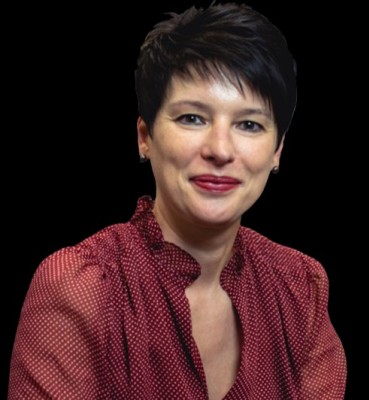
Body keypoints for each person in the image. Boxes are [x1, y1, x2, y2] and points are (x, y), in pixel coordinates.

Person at [8, 2, 347, 399]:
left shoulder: (300, 287)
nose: (220, 149)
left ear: (277, 151)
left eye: (249, 124)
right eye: (192, 118)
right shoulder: (80, 286)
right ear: (145, 137)